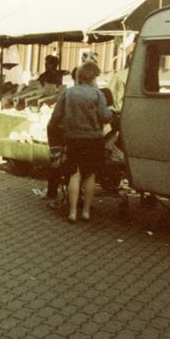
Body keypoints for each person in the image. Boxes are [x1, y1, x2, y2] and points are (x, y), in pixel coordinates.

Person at [47, 60, 113, 223]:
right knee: (90, 175)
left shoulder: (69, 93)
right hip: (93, 139)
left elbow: (55, 117)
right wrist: (110, 114)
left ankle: (72, 212)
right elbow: (105, 116)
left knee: (74, 174)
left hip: (73, 138)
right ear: (92, 77)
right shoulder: (98, 95)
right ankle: (86, 212)